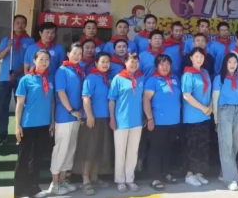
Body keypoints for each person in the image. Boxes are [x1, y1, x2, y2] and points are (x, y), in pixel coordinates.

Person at [14, 49, 54, 198]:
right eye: (41, 59)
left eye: (47, 59)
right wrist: (17, 126)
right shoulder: (26, 79)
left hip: (43, 124)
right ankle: (19, 190)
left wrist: (52, 121)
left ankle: (33, 188)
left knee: (37, 157)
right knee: (23, 157)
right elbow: (19, 104)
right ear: (34, 61)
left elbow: (51, 102)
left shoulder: (49, 79)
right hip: (28, 124)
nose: (44, 62)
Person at [48, 43, 84, 195]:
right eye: (74, 53)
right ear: (68, 54)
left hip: (76, 117)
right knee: (61, 150)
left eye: (80, 54)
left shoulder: (78, 70)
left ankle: (63, 181)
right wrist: (71, 110)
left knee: (70, 150)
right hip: (64, 117)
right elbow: (61, 93)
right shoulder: (62, 70)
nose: (77, 56)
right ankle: (55, 183)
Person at [74, 52, 112, 195]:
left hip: (105, 118)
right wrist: (89, 115)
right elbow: (86, 98)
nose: (105, 64)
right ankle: (86, 180)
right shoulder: (91, 78)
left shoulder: (107, 78)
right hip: (93, 119)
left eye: (107, 61)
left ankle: (95, 177)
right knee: (89, 150)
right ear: (96, 63)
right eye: (102, 61)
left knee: (99, 149)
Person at [0, 14, 34, 146]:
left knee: (21, 106)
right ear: (13, 24)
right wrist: (7, 47)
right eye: (17, 22)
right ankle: (2, 134)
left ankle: (21, 134)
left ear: (26, 25)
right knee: (3, 107)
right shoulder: (6, 39)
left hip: (21, 79)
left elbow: (29, 61)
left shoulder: (30, 41)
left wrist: (16, 73)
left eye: (23, 23)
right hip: (4, 78)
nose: (20, 25)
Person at [144, 54, 182, 190]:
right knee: (156, 150)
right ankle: (155, 177)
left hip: (174, 121)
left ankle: (166, 172)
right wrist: (149, 118)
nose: (165, 67)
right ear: (156, 66)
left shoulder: (174, 78)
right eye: (162, 64)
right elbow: (146, 100)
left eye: (167, 64)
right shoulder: (152, 80)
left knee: (168, 149)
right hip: (158, 122)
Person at [108, 53, 145, 193]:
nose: (134, 64)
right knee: (120, 152)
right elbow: (112, 100)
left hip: (137, 120)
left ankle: (130, 179)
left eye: (136, 62)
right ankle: (120, 180)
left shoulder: (141, 78)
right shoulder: (118, 78)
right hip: (121, 120)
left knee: (133, 152)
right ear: (125, 62)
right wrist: (112, 118)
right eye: (131, 61)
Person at [212, 53, 238, 191]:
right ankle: (231, 179)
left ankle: (224, 172)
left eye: (235, 62)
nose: (232, 65)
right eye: (230, 62)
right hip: (225, 111)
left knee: (235, 145)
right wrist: (216, 119)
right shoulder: (219, 78)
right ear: (225, 63)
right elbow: (215, 98)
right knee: (226, 145)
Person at [181, 47, 213, 187]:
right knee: (192, 146)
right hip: (192, 117)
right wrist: (202, 108)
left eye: (201, 56)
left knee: (203, 145)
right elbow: (187, 95)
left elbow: (209, 92)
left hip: (205, 116)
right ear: (191, 58)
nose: (199, 59)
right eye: (196, 56)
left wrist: (210, 106)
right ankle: (189, 174)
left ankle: (199, 172)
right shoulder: (188, 74)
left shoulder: (205, 72)